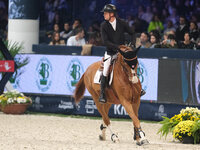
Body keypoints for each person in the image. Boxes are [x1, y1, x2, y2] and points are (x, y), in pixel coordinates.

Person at [99, 4, 145, 104]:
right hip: (111, 52)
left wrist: (132, 45)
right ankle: (102, 94)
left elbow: (132, 33)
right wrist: (118, 47)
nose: (104, 15)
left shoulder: (122, 23)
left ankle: (139, 89)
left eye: (105, 13)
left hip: (123, 53)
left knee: (132, 67)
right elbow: (105, 41)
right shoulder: (103, 25)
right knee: (106, 69)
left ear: (111, 14)